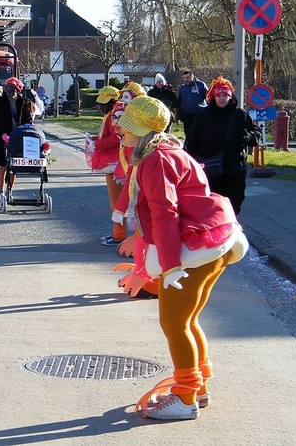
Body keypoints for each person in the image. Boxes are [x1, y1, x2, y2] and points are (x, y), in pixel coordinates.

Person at [114, 95, 249, 420]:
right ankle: (197, 388)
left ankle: (186, 397)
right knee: (187, 321)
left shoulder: (154, 159)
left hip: (195, 248)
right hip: (213, 239)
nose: (122, 132)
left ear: (144, 131)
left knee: (174, 322)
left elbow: (165, 212)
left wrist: (172, 265)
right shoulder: (169, 150)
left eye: (127, 127)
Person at [185, 76, 261, 215]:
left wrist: (248, 138)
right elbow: (191, 140)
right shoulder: (204, 116)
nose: (221, 98)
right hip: (211, 170)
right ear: (214, 97)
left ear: (230, 97)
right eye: (218, 95)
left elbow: (256, 133)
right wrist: (192, 162)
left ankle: (231, 230)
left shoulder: (240, 115)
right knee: (214, 206)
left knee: (235, 203)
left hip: (235, 170)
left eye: (225, 95)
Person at [84, 86, 125, 245]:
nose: (101, 106)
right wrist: (95, 139)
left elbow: (115, 139)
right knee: (115, 200)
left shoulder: (115, 115)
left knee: (117, 201)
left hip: (115, 163)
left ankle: (119, 235)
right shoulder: (111, 114)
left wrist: (97, 144)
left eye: (103, 103)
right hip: (113, 162)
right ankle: (116, 232)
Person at [0, 77, 32, 202]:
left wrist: (27, 127)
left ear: (18, 89)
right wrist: (1, 135)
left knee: (14, 166)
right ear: (5, 90)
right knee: (3, 165)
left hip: (18, 136)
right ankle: (0, 191)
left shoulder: (23, 102)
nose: (11, 92)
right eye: (8, 89)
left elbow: (27, 118)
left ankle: (10, 191)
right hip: (2, 138)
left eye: (13, 89)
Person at [177, 70, 208, 138]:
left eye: (188, 77)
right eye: (184, 78)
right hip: (186, 115)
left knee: (199, 132)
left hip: (198, 113)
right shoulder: (182, 88)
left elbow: (208, 97)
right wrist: (178, 116)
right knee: (188, 133)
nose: (186, 79)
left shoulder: (200, 85)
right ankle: (188, 147)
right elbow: (179, 102)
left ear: (192, 76)